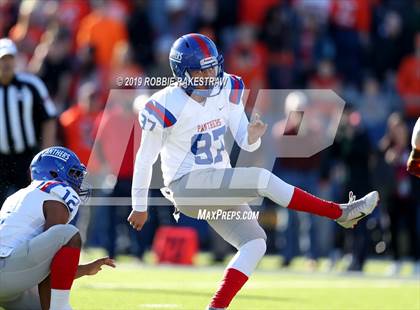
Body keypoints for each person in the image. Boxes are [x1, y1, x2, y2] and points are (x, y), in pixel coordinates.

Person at [128, 33, 379, 310]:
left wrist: (253, 134)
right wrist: (140, 205)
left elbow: (244, 139)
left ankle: (216, 307)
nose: (211, 74)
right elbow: (144, 159)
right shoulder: (164, 104)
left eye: (213, 66)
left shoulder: (227, 87)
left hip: (216, 184)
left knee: (255, 242)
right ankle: (339, 212)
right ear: (183, 73)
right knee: (261, 178)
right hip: (186, 187)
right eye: (203, 69)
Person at [0, 146, 115, 310]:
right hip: (9, 271)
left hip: (11, 277)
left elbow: (47, 266)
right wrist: (85, 269)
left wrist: (86, 269)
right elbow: (52, 262)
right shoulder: (56, 192)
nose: (78, 180)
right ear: (54, 174)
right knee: (68, 234)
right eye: (74, 174)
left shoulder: (19, 195)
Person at [0, 38, 57, 207]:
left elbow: (49, 119)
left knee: (30, 206)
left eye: (9, 59)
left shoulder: (31, 85)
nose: (6, 64)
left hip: (26, 158)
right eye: (2, 59)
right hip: (0, 159)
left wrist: (45, 154)